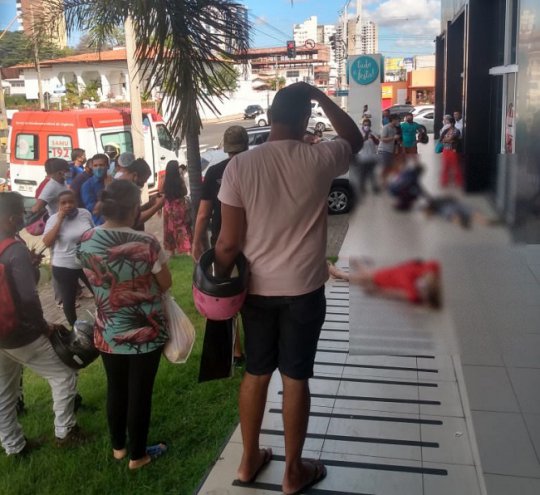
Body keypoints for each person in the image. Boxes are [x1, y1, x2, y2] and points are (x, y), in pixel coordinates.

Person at [214, 82, 362, 494]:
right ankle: (293, 472)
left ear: (270, 116)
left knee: (256, 373)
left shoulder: (239, 166)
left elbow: (227, 243)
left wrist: (217, 284)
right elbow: (354, 139)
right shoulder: (320, 158)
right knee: (295, 378)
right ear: (304, 119)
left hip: (255, 292)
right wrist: (322, 97)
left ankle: (248, 461)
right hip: (304, 290)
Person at [78, 180, 171, 470]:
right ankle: (138, 456)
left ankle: (119, 448)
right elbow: (166, 283)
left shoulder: (86, 239)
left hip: (107, 330)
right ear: (134, 208)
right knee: (139, 393)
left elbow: (90, 279)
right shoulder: (147, 243)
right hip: (146, 332)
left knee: (116, 388)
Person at [0, 192, 84, 456]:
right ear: (11, 218)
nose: (24, 219)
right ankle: (66, 432)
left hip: (1, 334)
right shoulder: (14, 249)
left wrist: (30, 267)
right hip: (20, 333)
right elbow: (28, 297)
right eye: (21, 214)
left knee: (4, 393)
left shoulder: (11, 247)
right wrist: (44, 326)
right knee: (64, 374)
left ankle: (14, 446)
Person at [192, 126, 249, 369]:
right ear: (246, 144)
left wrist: (196, 242)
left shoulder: (216, 171)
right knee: (254, 295)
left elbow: (203, 213)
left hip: (223, 242)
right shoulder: (257, 167)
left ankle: (236, 351)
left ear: (226, 147)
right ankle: (257, 344)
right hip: (255, 241)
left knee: (226, 296)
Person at [43, 190, 94, 326]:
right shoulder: (53, 219)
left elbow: (93, 233)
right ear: (58, 205)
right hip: (64, 266)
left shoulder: (85, 213)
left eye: (71, 202)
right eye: (63, 203)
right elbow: (47, 242)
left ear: (76, 202)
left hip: (87, 262)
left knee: (99, 293)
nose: (68, 205)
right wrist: (59, 220)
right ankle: (75, 329)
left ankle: (105, 321)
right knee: (69, 300)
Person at [329, 258, 442, 309]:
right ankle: (356, 267)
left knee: (363, 278)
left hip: (385, 280)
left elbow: (394, 294)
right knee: (366, 276)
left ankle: (339, 273)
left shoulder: (414, 295)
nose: (420, 286)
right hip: (393, 271)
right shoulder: (428, 269)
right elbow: (433, 266)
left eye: (423, 290)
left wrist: (376, 292)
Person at [118, 158, 164, 229]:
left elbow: (135, 212)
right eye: (142, 181)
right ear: (135, 175)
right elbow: (135, 220)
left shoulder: (128, 186)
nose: (142, 185)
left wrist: (150, 204)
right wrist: (157, 206)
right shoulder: (125, 189)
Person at [160, 160, 192, 255]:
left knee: (169, 228)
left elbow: (161, 192)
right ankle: (186, 250)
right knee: (182, 227)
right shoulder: (180, 179)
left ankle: (172, 252)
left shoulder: (164, 179)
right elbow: (185, 192)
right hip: (179, 206)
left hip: (168, 207)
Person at [81, 154, 110, 225]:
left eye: (101, 165)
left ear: (108, 166)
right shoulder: (87, 185)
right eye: (95, 165)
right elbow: (95, 211)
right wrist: (107, 189)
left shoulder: (115, 182)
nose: (98, 168)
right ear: (92, 167)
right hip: (97, 225)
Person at [357, 118, 380, 194]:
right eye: (365, 125)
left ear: (370, 125)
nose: (366, 126)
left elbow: (377, 143)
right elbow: (359, 143)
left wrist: (373, 138)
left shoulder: (373, 132)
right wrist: (366, 135)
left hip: (372, 157)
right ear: (363, 125)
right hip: (362, 158)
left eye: (368, 125)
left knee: (372, 174)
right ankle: (361, 188)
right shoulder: (359, 133)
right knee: (362, 174)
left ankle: (375, 188)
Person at [378, 114, 401, 186]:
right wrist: (394, 138)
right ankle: (382, 182)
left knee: (389, 166)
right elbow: (382, 139)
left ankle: (385, 181)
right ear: (393, 120)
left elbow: (394, 141)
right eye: (397, 120)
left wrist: (396, 148)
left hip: (390, 150)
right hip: (384, 150)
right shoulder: (386, 127)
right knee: (385, 167)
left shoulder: (394, 129)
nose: (398, 122)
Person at [440, 116, 462, 188]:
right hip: (445, 150)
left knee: (456, 166)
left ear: (452, 123)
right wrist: (448, 140)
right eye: (446, 122)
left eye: (447, 123)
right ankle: (444, 181)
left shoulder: (456, 130)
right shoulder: (445, 130)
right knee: (445, 166)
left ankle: (458, 182)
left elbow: (450, 139)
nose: (446, 124)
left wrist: (447, 139)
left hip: (453, 150)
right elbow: (441, 140)